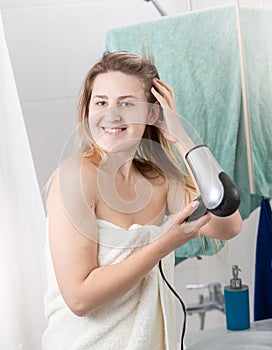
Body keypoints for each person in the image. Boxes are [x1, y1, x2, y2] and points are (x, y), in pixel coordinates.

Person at [42, 51, 242, 350]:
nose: (111, 115)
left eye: (126, 103)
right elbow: (79, 298)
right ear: (87, 110)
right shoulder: (74, 176)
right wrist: (164, 243)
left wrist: (180, 136)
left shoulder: (157, 180)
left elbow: (227, 223)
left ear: (152, 113)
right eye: (101, 103)